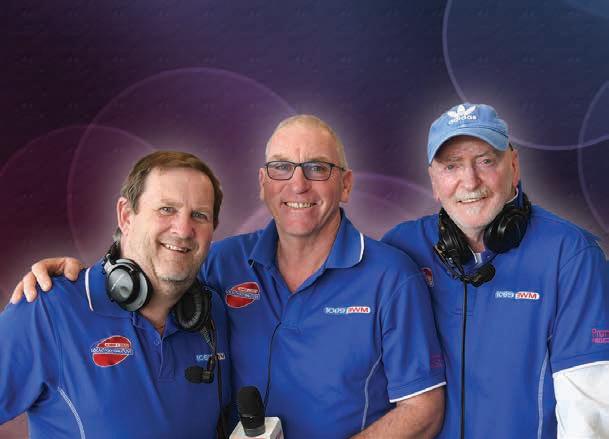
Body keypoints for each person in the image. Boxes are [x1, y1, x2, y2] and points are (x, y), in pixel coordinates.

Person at [10, 115, 446, 438]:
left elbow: (423, 410)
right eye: (281, 167)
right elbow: (156, 265)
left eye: (317, 168)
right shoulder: (222, 263)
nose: (298, 184)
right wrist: (73, 278)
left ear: (346, 184)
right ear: (263, 183)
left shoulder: (392, 276)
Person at [381, 103, 609, 439]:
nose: (470, 181)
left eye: (485, 161)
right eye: (451, 166)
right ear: (434, 181)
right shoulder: (399, 248)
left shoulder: (572, 254)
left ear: (514, 166)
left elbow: (588, 413)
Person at [0, 151, 231, 438]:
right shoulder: (48, 309)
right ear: (126, 216)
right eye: (166, 209)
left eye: (199, 215)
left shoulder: (213, 316)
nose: (184, 229)